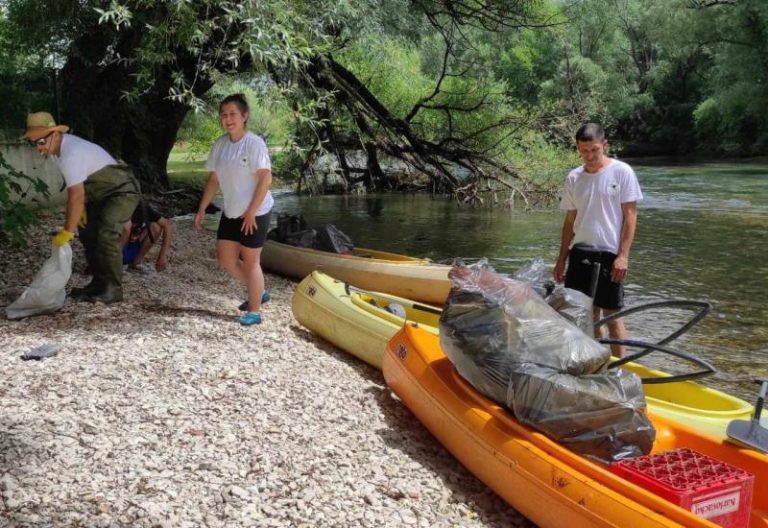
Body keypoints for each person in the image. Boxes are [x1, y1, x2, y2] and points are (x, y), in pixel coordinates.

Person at [23, 112, 141, 304]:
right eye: (33, 143)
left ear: (54, 135)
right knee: (87, 234)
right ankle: (98, 283)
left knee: (107, 233)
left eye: (40, 142)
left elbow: (75, 196)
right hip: (98, 195)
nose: (38, 148)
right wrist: (82, 212)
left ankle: (113, 289)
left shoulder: (72, 153)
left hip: (121, 192)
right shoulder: (55, 152)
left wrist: (67, 231)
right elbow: (79, 188)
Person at [553, 123, 643, 357]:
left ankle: (619, 367)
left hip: (610, 254)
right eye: (584, 151)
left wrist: (623, 256)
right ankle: (594, 361)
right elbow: (569, 221)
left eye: (594, 150)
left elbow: (630, 216)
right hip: (580, 253)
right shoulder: (574, 178)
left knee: (612, 315)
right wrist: (561, 259)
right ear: (578, 149)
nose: (590, 156)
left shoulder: (622, 172)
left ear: (604, 145)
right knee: (585, 314)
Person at [194, 94, 273, 326]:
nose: (228, 119)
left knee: (250, 261)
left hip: (256, 212)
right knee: (225, 258)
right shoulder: (220, 145)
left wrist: (251, 211)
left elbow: (265, 179)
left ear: (244, 116)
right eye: (224, 115)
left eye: (232, 114)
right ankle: (258, 290)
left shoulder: (254, 143)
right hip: (231, 211)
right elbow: (213, 180)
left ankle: (255, 310)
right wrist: (201, 208)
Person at [121, 203, 174, 272]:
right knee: (126, 226)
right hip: (115, 248)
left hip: (133, 245)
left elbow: (167, 225)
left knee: (156, 227)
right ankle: (115, 263)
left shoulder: (141, 207)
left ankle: (135, 263)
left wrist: (162, 256)